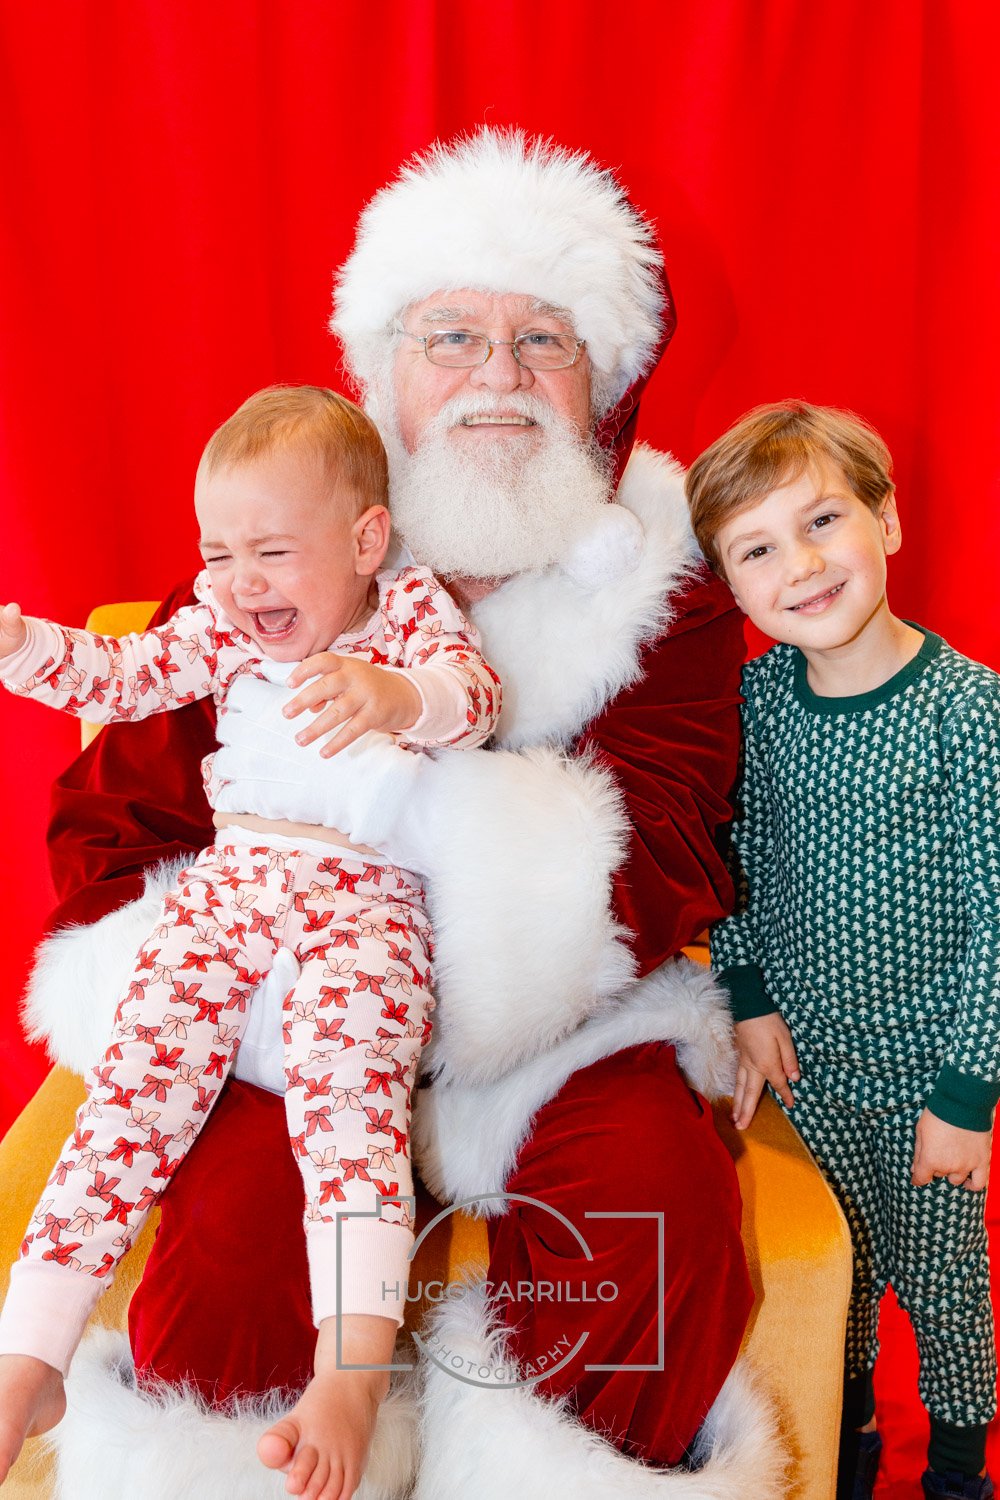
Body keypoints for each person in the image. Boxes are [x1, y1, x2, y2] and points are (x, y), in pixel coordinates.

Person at [20, 132, 779, 1498]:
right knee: (238, 1241)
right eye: (453, 335)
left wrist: (462, 968)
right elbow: (113, 815)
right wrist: (250, 986)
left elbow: (670, 839)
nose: (498, 376)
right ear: (388, 369)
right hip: (282, 1000)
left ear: (602, 380)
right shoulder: (291, 524)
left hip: (565, 1029)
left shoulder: (664, 580)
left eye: (542, 339)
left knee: (657, 1222)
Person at [0, 383, 501, 1498]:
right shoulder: (221, 622)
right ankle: (30, 1353)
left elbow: (474, 697)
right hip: (233, 888)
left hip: (363, 899)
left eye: (271, 552)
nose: (240, 583)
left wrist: (396, 694)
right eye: (217, 554)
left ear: (367, 541)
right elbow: (126, 679)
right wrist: (23, 645)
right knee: (131, 1097)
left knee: (348, 1105)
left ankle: (350, 1370)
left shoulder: (409, 609)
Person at [686, 400, 999, 1500]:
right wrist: (747, 994)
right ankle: (846, 1450)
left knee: (942, 1282)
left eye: (823, 522)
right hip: (803, 1058)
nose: (801, 565)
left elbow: (996, 922)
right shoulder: (760, 700)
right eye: (758, 550)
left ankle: (958, 1476)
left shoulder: (968, 713)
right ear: (731, 586)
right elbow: (729, 853)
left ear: (889, 522)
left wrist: (965, 1091)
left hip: (926, 1068)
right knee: (837, 1277)